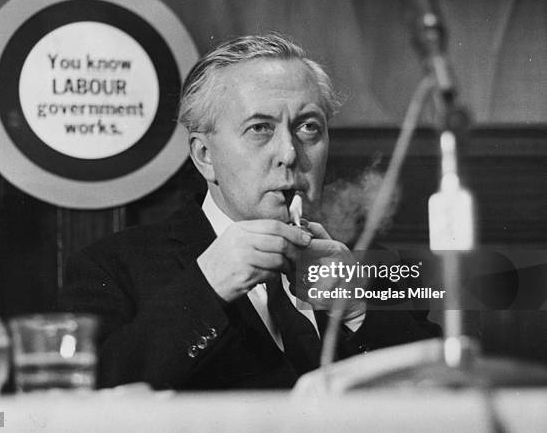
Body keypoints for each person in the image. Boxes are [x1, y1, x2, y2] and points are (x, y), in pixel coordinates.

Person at [61, 34, 440, 390]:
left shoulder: (371, 266)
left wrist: (357, 311)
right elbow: (83, 400)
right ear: (204, 156)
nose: (290, 154)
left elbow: (446, 397)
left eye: (309, 127)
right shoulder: (112, 268)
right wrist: (206, 288)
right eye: (260, 128)